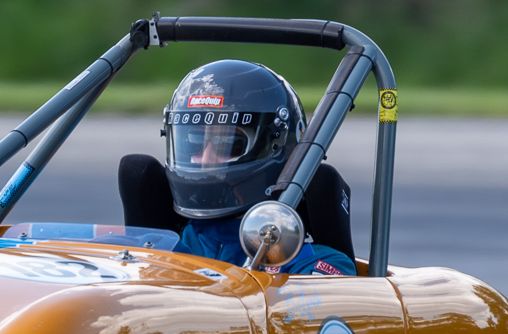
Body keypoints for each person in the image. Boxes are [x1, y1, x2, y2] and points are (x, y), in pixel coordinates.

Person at [118, 59, 357, 274]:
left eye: (228, 143)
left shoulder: (312, 265)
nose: (205, 158)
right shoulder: (153, 251)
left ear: (274, 146)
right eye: (193, 143)